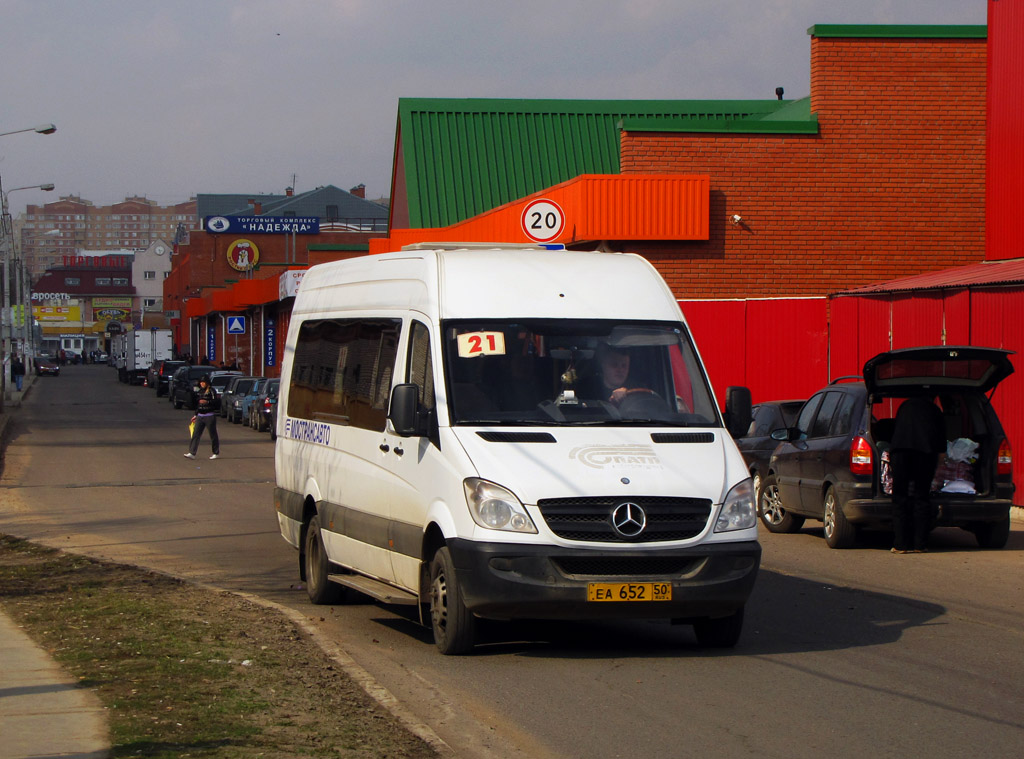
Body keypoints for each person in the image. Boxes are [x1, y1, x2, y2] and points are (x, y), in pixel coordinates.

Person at [889, 394, 946, 554]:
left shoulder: (904, 406)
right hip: (925, 453)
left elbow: (894, 429)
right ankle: (920, 545)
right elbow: (941, 439)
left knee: (900, 496)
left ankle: (900, 545)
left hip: (900, 452)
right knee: (921, 496)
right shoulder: (935, 410)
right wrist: (939, 457)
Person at [185, 375, 220, 460]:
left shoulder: (211, 391)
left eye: (203, 382)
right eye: (201, 382)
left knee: (213, 434)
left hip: (209, 415)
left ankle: (215, 452)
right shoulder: (200, 391)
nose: (202, 384)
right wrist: (195, 415)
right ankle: (192, 453)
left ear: (207, 383)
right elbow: (198, 405)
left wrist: (207, 401)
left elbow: (216, 402)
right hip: (200, 416)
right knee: (196, 434)